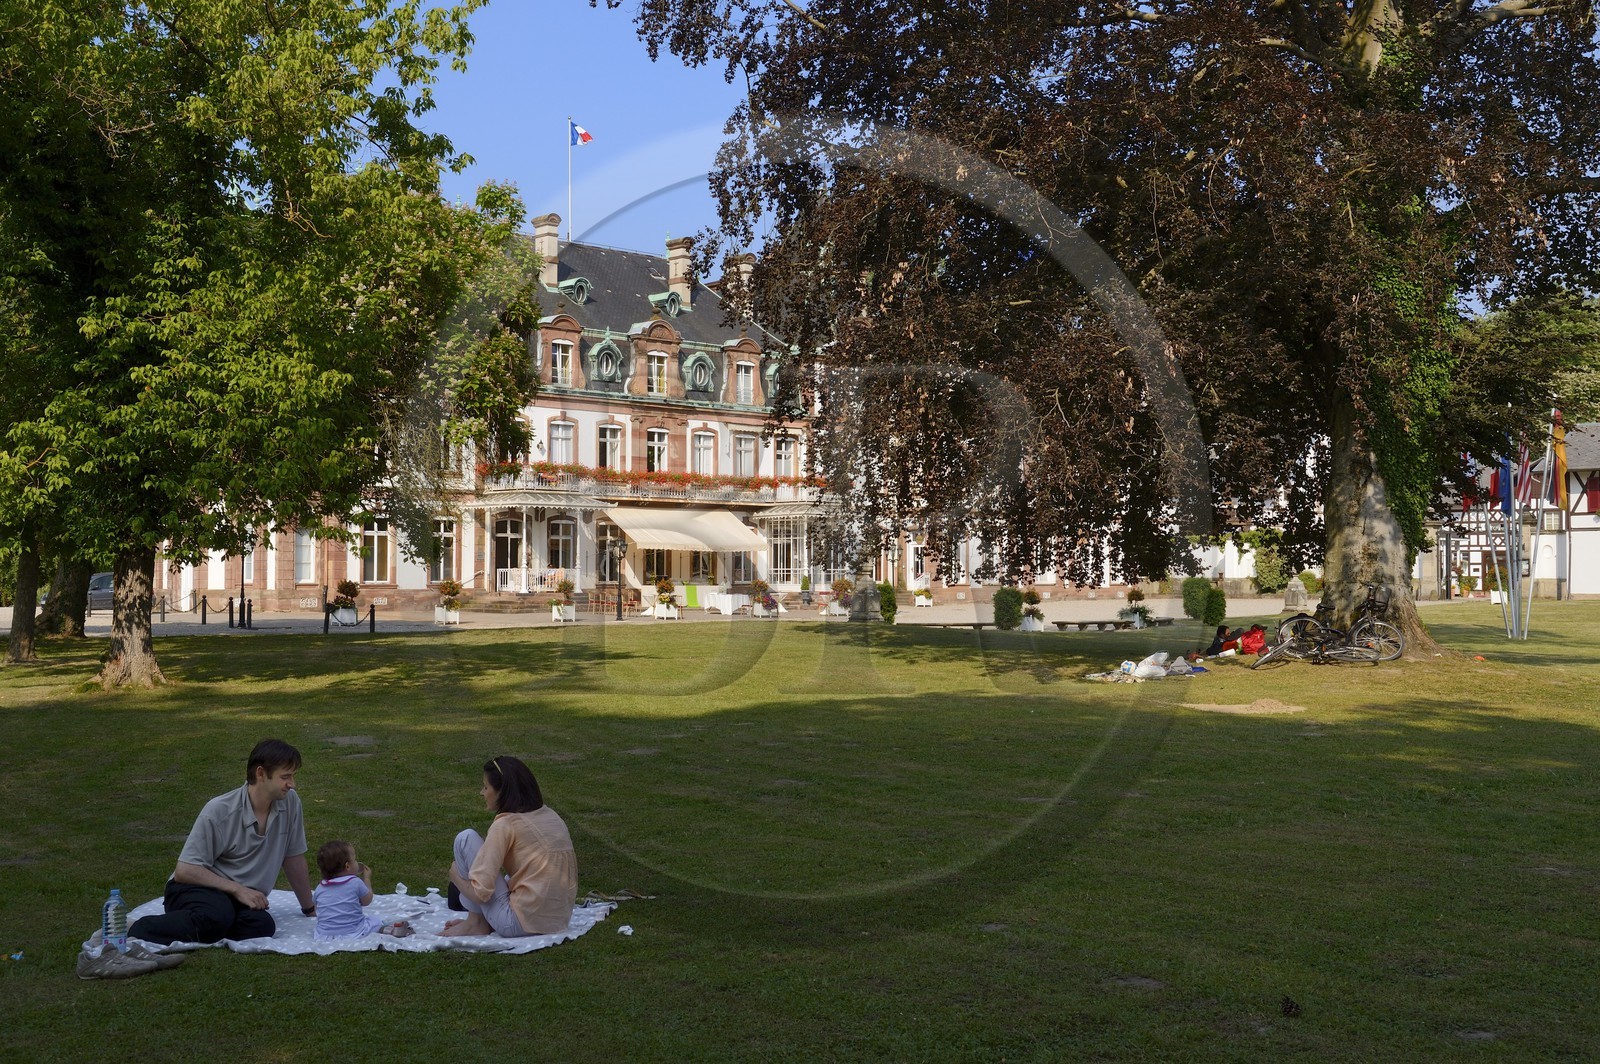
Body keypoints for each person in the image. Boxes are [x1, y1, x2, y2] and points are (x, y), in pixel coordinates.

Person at [128, 739, 316, 945]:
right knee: (215, 916)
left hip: (236, 897)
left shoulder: (290, 803)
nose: (292, 784)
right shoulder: (220, 810)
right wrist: (238, 889)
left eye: (293, 776)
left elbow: (293, 859)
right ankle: (131, 927)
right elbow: (185, 870)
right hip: (194, 888)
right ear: (261, 774)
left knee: (261, 926)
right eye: (285, 777)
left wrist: (309, 908)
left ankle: (207, 925)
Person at [442, 756, 577, 938]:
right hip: (557, 921)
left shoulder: (505, 824)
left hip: (517, 924)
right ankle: (480, 921)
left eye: (486, 787)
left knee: (465, 839)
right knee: (510, 876)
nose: (482, 793)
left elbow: (481, 893)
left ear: (502, 791)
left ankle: (476, 923)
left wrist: (456, 877)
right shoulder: (551, 816)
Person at [312, 840, 410, 940]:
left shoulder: (320, 888)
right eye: (355, 860)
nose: (357, 862)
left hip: (324, 935)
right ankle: (388, 930)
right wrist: (367, 879)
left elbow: (317, 909)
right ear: (347, 866)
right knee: (374, 921)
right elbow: (367, 901)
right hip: (354, 931)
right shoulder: (355, 882)